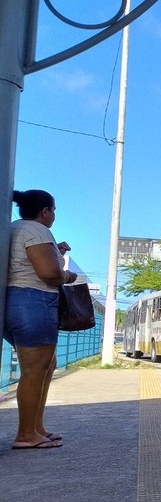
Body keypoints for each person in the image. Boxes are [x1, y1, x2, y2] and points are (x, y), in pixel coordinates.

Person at [4, 189, 77, 450]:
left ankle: (36, 427)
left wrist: (55, 251)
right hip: (33, 302)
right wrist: (67, 276)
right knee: (35, 370)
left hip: (16, 301)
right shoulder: (37, 231)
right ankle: (25, 434)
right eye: (53, 210)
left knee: (47, 365)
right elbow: (49, 273)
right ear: (45, 211)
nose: (53, 215)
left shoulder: (15, 228)